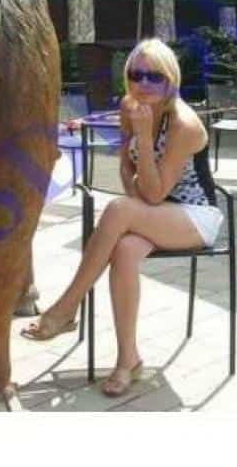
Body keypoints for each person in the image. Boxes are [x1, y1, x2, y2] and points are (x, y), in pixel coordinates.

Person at [21, 38, 223, 397]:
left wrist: (143, 140)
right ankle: (128, 360)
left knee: (117, 211)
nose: (143, 84)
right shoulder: (132, 108)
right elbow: (132, 182)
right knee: (126, 248)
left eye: (154, 77)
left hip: (195, 216)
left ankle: (66, 307)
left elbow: (154, 193)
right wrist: (136, 152)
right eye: (136, 74)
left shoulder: (183, 124)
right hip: (156, 212)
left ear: (171, 81)